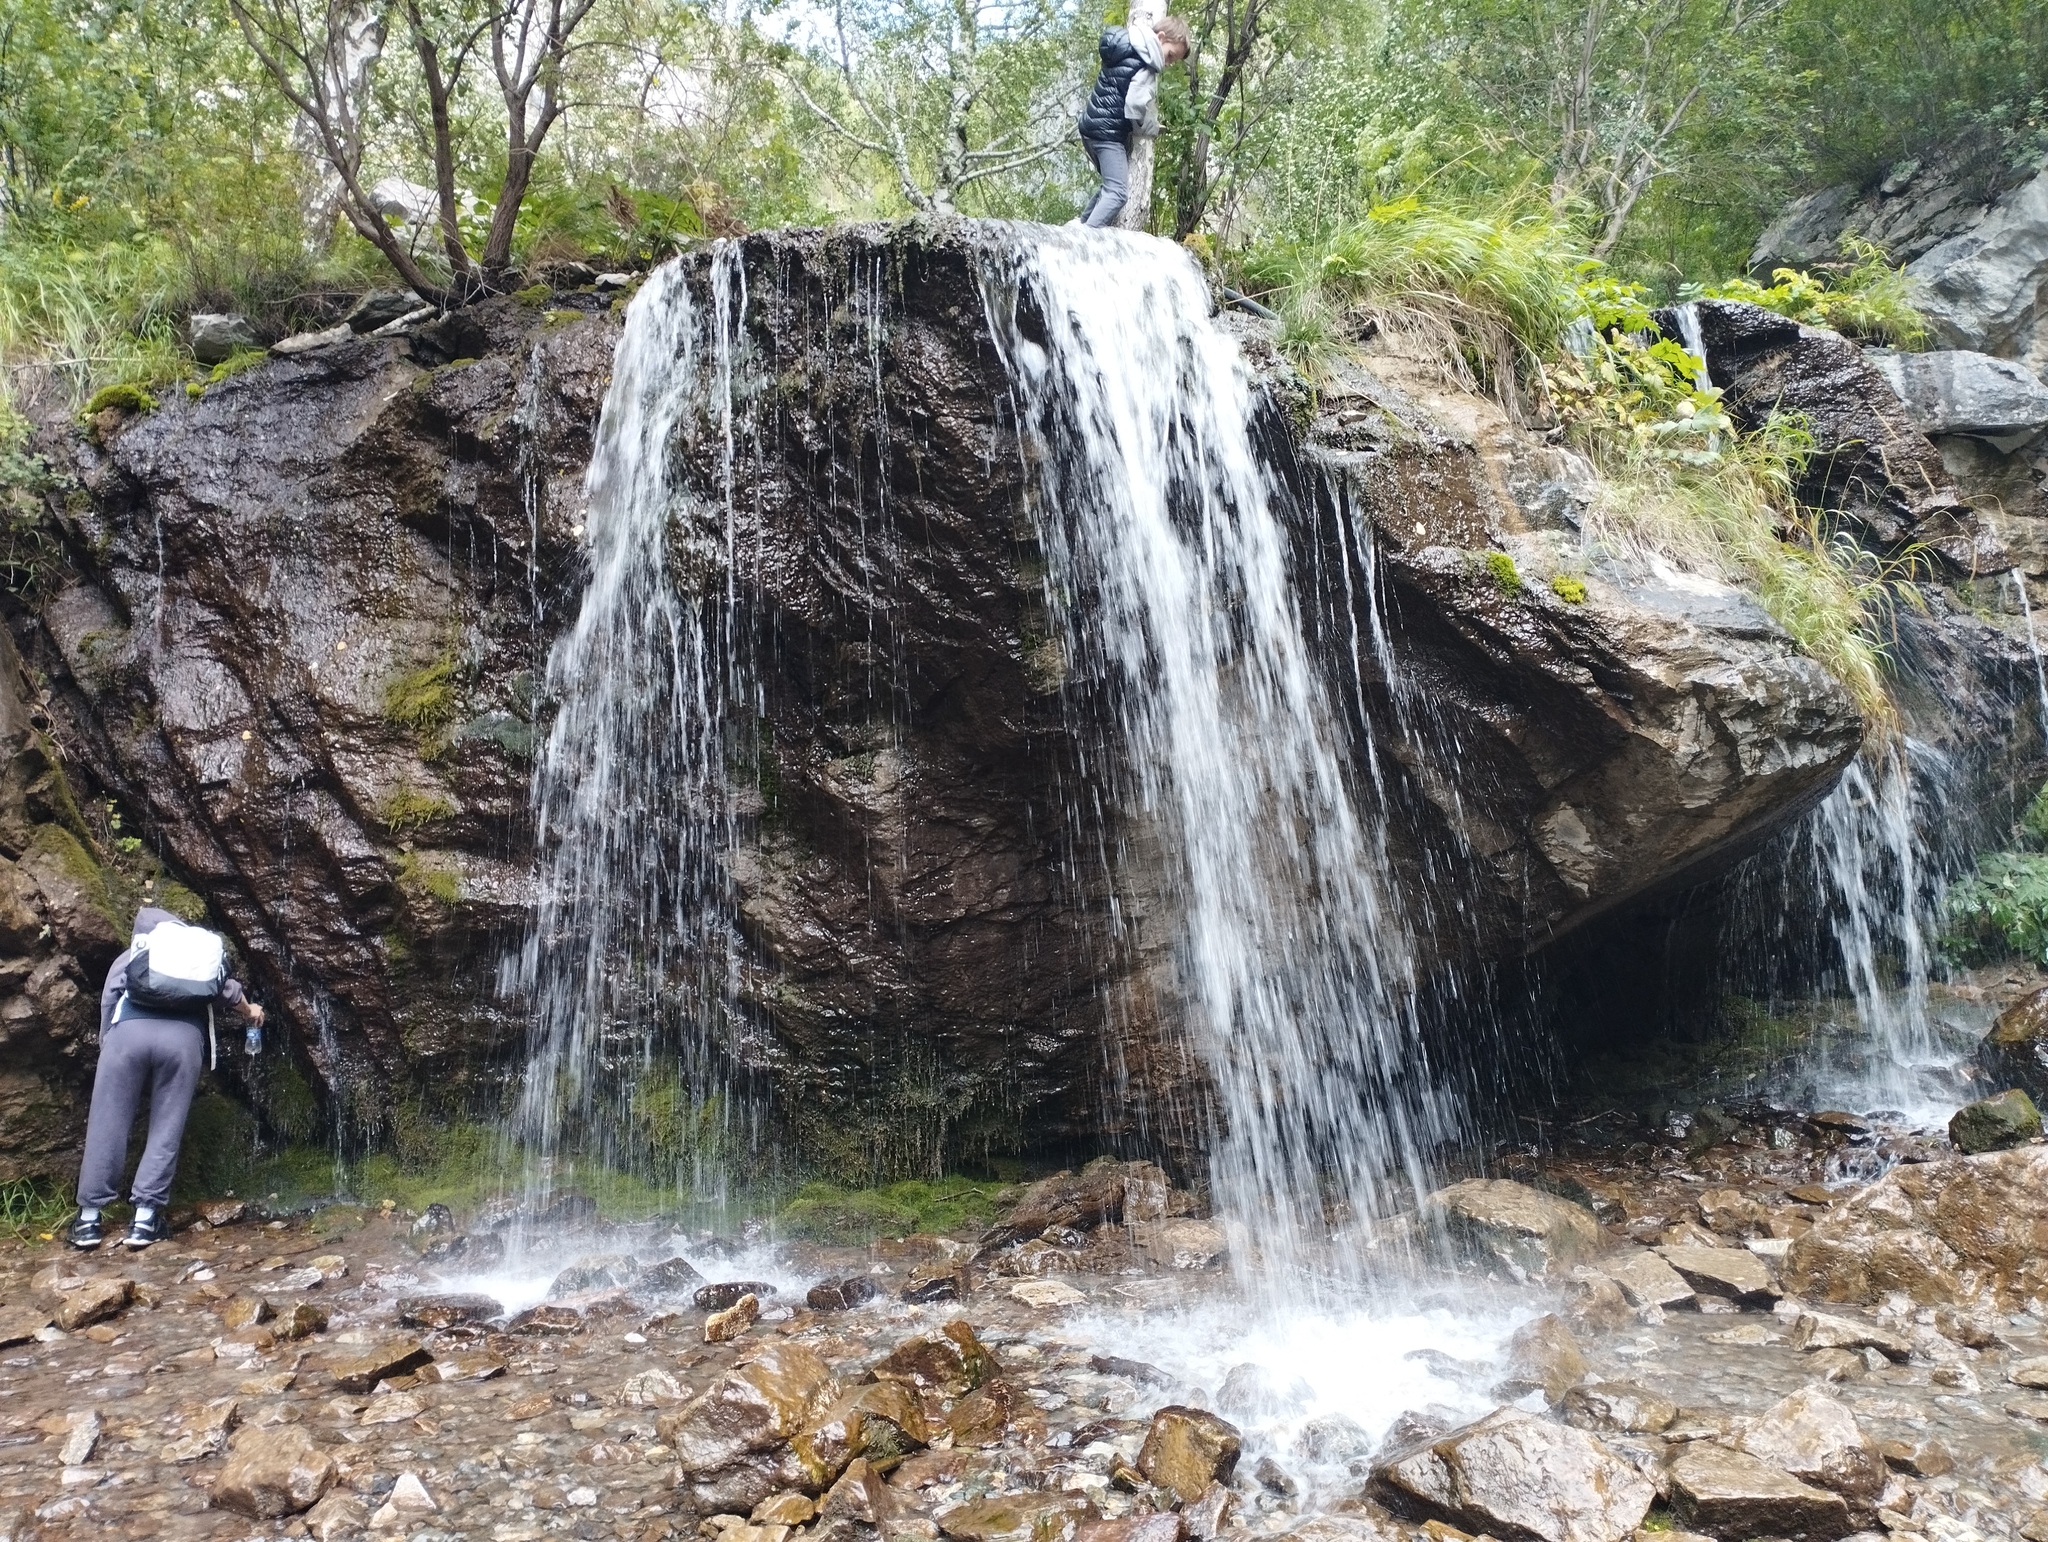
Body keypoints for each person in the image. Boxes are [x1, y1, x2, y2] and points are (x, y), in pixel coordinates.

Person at [68, 906, 263, 1249]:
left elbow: (109, 998)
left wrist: (107, 1044)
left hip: (126, 1038)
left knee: (107, 1124)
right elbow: (229, 992)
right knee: (166, 1126)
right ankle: (144, 1220)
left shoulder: (135, 953)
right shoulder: (193, 956)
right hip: (182, 1042)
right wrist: (251, 1013)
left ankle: (88, 1222)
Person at [1075, 13, 1190, 229]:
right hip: (1107, 134)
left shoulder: (1125, 44)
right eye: (1171, 56)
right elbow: (1135, 108)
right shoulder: (1147, 63)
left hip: (1090, 127)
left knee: (1109, 186)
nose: (1169, 63)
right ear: (1161, 37)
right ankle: (1084, 241)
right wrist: (1152, 128)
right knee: (1118, 193)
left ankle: (1079, 226)